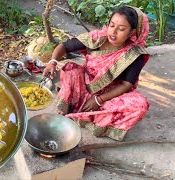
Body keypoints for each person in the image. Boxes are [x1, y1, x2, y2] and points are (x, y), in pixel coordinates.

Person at [43, 6, 150, 141]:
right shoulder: (96, 38)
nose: (114, 32)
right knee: (71, 69)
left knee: (140, 104)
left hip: (110, 95)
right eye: (112, 25)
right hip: (84, 86)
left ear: (131, 32)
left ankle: (96, 119)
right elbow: (64, 47)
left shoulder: (134, 54)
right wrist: (52, 62)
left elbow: (127, 85)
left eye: (121, 29)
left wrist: (98, 100)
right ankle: (68, 106)